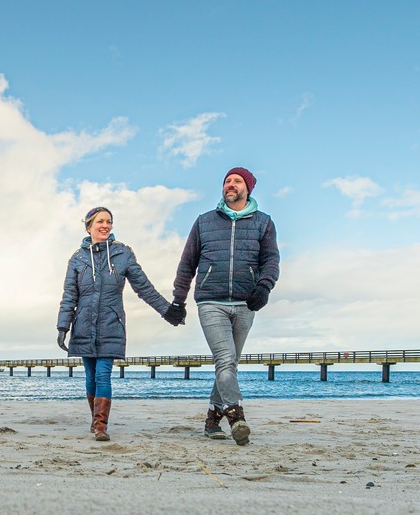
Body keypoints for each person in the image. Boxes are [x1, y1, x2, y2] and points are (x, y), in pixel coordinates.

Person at [162, 166, 280, 445]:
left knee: (229, 365)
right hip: (210, 300)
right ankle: (236, 417)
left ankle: (212, 421)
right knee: (225, 360)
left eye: (237, 181)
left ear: (247, 188)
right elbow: (187, 262)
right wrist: (178, 299)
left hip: (245, 302)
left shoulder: (263, 222)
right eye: (227, 181)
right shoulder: (204, 221)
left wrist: (264, 287)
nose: (231, 185)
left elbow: (271, 261)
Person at [57, 206, 175, 442]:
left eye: (109, 221)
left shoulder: (123, 254)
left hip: (111, 323)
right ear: (89, 226)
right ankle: (94, 421)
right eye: (100, 221)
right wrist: (63, 326)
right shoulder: (77, 259)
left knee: (103, 374)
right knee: (90, 376)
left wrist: (167, 310)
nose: (105, 226)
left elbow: (143, 287)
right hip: (83, 325)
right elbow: (70, 295)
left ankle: (101, 426)